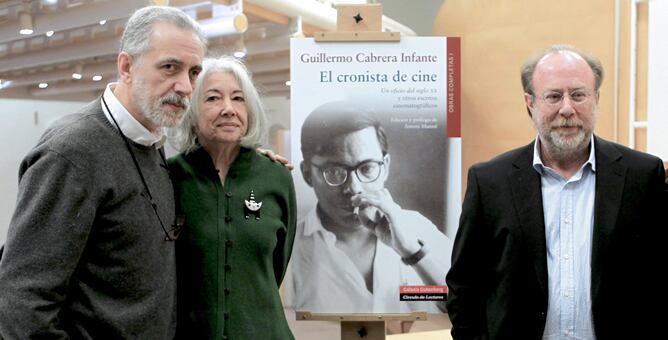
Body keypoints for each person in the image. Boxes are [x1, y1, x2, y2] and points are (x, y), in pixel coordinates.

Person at [0, 6, 207, 339]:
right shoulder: (72, 152)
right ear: (126, 66)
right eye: (170, 67)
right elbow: (22, 300)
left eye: (194, 72)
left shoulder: (151, 140)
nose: (184, 85)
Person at [446, 45, 666, 340]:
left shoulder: (642, 176)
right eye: (553, 96)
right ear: (530, 103)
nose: (567, 108)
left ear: (596, 99)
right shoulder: (490, 183)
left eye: (578, 94)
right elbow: (464, 285)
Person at [168, 56, 296, 339]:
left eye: (238, 99)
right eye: (213, 98)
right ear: (191, 111)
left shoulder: (276, 177)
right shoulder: (169, 177)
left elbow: (276, 266)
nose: (228, 109)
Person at [290, 102, 452, 313]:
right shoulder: (290, 248)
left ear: (384, 168)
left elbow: (464, 309)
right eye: (334, 171)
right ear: (307, 174)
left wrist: (411, 252)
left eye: (366, 168)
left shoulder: (418, 230)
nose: (353, 188)